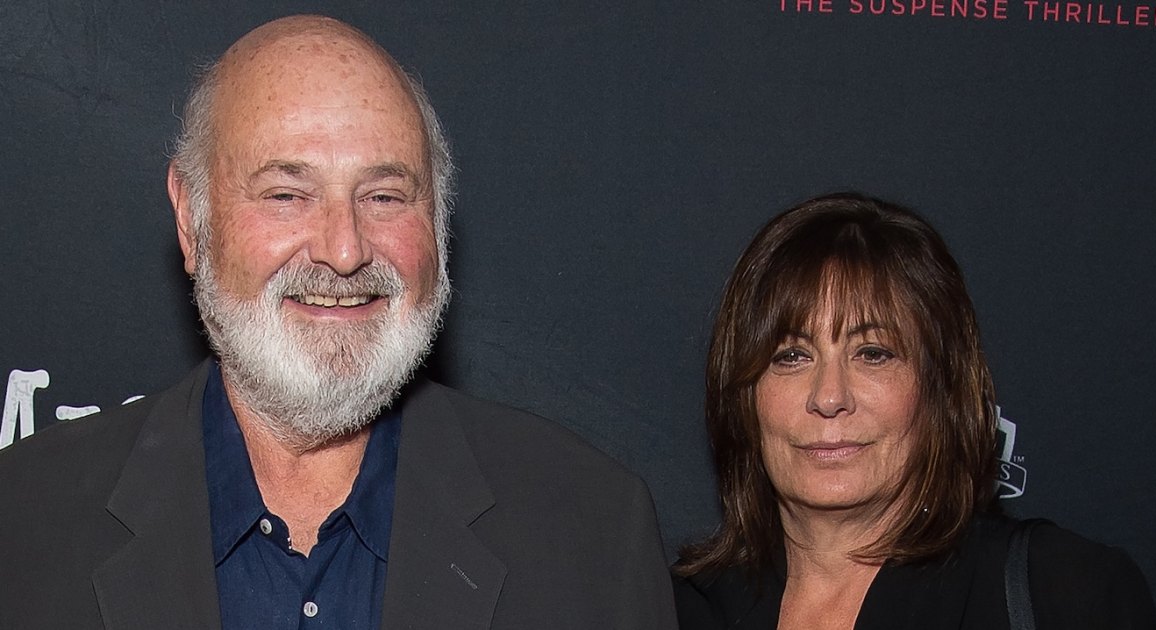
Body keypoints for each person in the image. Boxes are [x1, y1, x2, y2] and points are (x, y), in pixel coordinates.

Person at [0, 15, 675, 629]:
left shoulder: (592, 530)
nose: (345, 250)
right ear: (190, 218)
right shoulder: (22, 524)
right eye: (287, 194)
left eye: (384, 196)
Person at [672, 193, 1156, 629]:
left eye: (873, 353)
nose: (829, 396)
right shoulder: (673, 609)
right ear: (744, 396)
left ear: (939, 389)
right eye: (792, 356)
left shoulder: (1066, 595)